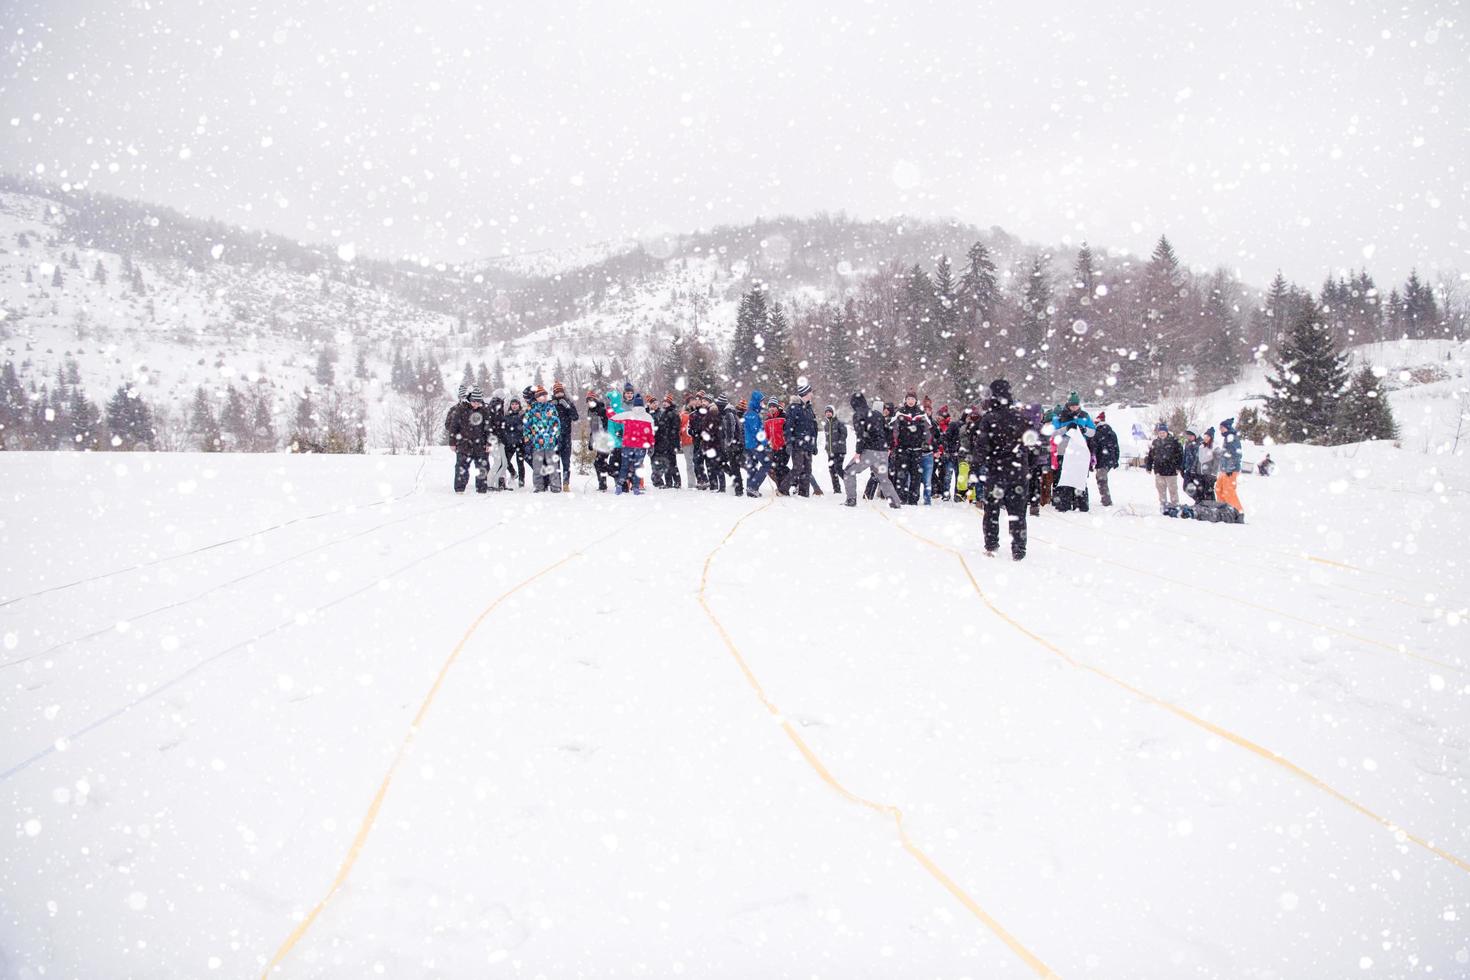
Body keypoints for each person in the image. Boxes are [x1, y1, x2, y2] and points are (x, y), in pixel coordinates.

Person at [972, 379, 1032, 560]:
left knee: (992, 510)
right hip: (1019, 469)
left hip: (997, 471)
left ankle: (991, 545)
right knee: (1018, 512)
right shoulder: (1021, 418)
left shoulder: (989, 419)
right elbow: (1032, 444)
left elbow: (982, 447)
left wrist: (976, 466)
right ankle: (1019, 549)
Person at [842, 393, 902, 508]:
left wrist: (858, 452)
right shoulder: (877, 414)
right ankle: (895, 502)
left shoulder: (858, 415)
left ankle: (851, 500)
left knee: (849, 472)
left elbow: (860, 435)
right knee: (883, 478)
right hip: (883, 451)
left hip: (870, 450)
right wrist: (889, 447)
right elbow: (888, 431)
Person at [445, 386, 491, 493]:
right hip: (463, 444)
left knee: (482, 467)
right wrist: (452, 442)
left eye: (478, 402)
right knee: (461, 467)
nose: (476, 404)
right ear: (470, 400)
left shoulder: (484, 411)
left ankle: (481, 488)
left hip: (480, 444)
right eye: (474, 402)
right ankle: (459, 489)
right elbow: (453, 427)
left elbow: (488, 428)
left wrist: (489, 442)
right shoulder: (460, 410)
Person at [611, 394, 655, 495]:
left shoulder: (628, 415)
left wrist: (611, 409)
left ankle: (619, 486)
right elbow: (651, 434)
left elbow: (613, 418)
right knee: (638, 467)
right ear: (643, 405)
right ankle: (636, 488)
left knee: (624, 466)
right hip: (641, 447)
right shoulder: (648, 417)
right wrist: (651, 445)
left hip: (628, 445)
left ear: (634, 405)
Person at [781, 384, 819, 497]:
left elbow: (814, 428)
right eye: (810, 392)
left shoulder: (809, 408)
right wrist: (789, 443)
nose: (812, 394)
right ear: (805, 393)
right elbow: (788, 427)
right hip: (797, 444)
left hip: (808, 445)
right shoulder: (793, 408)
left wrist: (814, 444)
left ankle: (804, 493)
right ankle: (783, 489)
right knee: (797, 468)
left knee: (807, 470)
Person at [523, 385, 563, 493]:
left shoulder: (551, 407)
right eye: (541, 396)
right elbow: (526, 425)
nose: (544, 397)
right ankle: (538, 487)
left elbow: (557, 424)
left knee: (553, 466)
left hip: (550, 443)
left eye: (545, 395)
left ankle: (555, 487)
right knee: (537, 467)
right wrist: (530, 438)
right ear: (536, 397)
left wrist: (555, 436)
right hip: (537, 443)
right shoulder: (531, 410)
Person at [893, 392, 929, 505]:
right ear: (905, 400)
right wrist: (895, 444)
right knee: (902, 474)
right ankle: (901, 498)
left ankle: (914, 499)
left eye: (912, 399)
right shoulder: (900, 412)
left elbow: (928, 431)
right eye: (908, 399)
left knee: (916, 476)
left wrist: (925, 442)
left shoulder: (921, 413)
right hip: (903, 449)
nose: (910, 401)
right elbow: (894, 430)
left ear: (916, 401)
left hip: (917, 449)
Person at [1143, 421, 1184, 510]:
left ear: (1167, 432)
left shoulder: (1174, 442)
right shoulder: (1155, 442)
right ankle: (1163, 506)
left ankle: (1175, 506)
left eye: (1163, 432)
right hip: (1159, 472)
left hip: (1171, 471)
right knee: (1161, 491)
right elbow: (1150, 456)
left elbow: (1180, 455)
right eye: (1160, 433)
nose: (1161, 434)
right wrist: (1148, 467)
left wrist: (1178, 467)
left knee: (1173, 490)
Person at [743, 391, 772, 497]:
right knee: (766, 464)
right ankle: (753, 487)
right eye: (761, 401)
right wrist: (765, 444)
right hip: (755, 445)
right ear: (756, 401)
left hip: (750, 444)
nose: (762, 403)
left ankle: (750, 489)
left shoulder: (751, 412)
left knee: (752, 466)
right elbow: (758, 431)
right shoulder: (752, 414)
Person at [1215, 417, 1245, 517]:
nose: (1220, 430)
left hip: (1230, 470)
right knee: (1219, 488)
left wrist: (1230, 468)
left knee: (1228, 491)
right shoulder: (1227, 438)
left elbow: (1236, 455)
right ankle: (1223, 509)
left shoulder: (1232, 437)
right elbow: (1226, 454)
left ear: (1227, 428)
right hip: (1224, 469)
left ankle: (1238, 512)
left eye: (1222, 428)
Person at [552, 382, 579, 489]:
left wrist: (568, 407)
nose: (559, 394)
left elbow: (575, 417)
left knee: (566, 461)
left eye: (560, 391)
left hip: (566, 436)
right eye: (557, 392)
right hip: (554, 437)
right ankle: (557, 482)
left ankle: (566, 482)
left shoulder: (568, 403)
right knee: (555, 461)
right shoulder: (551, 403)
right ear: (554, 393)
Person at [652, 393, 682, 488]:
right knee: (666, 463)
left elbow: (676, 429)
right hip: (663, 443)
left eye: (667, 402)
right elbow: (661, 428)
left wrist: (674, 443)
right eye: (664, 402)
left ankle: (677, 482)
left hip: (671, 443)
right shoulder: (663, 413)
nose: (664, 404)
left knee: (673, 463)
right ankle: (669, 483)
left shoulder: (673, 413)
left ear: (670, 403)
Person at [586, 390, 612, 491]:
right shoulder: (590, 411)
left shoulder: (601, 410)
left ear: (596, 400)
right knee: (599, 463)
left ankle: (617, 474)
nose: (590, 402)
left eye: (592, 400)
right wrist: (591, 440)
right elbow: (593, 428)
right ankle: (603, 484)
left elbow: (608, 426)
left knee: (599, 463)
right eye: (588, 400)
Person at [485, 389, 511, 490]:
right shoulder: (495, 407)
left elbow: (498, 426)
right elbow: (490, 426)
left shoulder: (496, 407)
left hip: (499, 440)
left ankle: (496, 483)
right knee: (499, 462)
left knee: (503, 463)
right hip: (494, 440)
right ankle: (490, 484)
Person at [1093, 410, 1119, 507]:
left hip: (1101, 460)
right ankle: (1105, 499)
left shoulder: (1097, 433)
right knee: (1102, 479)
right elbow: (1116, 447)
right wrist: (1116, 459)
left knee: (1101, 480)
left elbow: (1094, 448)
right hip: (1110, 459)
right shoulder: (1112, 432)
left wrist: (1093, 461)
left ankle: (1106, 500)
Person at [720, 395, 745, 495]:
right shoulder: (731, 412)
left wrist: (728, 442)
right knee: (734, 466)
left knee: (734, 466)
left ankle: (739, 489)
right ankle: (738, 486)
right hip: (737, 444)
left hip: (734, 445)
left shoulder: (728, 413)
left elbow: (731, 429)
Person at [822, 404, 847, 494]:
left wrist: (838, 443)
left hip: (839, 451)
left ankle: (849, 484)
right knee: (832, 470)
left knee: (838, 468)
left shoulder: (839, 423)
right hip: (830, 451)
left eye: (830, 412)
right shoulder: (826, 425)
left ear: (833, 413)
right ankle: (837, 489)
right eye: (827, 412)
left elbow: (844, 435)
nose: (828, 414)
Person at [765, 401, 789, 493]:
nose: (771, 408)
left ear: (777, 407)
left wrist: (787, 442)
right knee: (776, 468)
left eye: (773, 406)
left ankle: (794, 482)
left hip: (783, 446)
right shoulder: (767, 419)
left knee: (781, 467)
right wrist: (767, 443)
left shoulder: (783, 416)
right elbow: (767, 433)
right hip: (773, 447)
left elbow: (788, 431)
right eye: (770, 406)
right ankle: (781, 488)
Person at [503, 397, 527, 488]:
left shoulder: (523, 414)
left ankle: (521, 481)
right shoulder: (506, 415)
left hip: (520, 442)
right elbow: (504, 428)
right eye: (512, 404)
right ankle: (513, 473)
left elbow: (527, 427)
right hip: (509, 443)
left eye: (516, 404)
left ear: (519, 405)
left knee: (520, 462)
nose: (514, 406)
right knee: (505, 461)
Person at [919, 395, 938, 504]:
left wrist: (936, 450)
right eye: (925, 410)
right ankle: (914, 498)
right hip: (918, 452)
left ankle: (927, 500)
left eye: (929, 410)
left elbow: (936, 438)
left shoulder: (933, 424)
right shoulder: (919, 421)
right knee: (916, 478)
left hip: (929, 453)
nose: (927, 412)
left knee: (928, 479)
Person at [679, 395, 696, 488]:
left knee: (698, 463)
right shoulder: (683, 414)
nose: (693, 402)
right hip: (687, 441)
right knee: (689, 463)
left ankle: (702, 481)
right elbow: (679, 428)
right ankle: (692, 483)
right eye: (691, 400)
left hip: (697, 441)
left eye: (694, 400)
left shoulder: (698, 412)